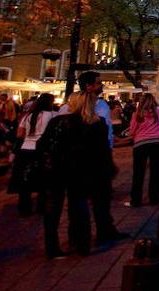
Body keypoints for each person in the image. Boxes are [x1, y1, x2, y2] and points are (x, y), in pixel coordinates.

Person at [36, 91, 113, 258]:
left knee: (53, 209)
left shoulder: (58, 121)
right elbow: (102, 152)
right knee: (79, 206)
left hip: (56, 170)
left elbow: (42, 145)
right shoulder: (96, 124)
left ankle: (52, 247)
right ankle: (81, 244)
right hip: (81, 170)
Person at [77, 71, 123, 242]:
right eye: (98, 83)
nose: (101, 85)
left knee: (101, 197)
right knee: (86, 197)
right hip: (89, 157)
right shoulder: (75, 106)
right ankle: (80, 235)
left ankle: (104, 229)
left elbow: (107, 130)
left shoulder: (102, 105)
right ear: (88, 86)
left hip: (103, 154)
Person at [125, 93, 159, 207]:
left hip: (140, 144)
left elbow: (132, 131)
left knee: (138, 173)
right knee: (156, 172)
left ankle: (136, 200)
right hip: (157, 143)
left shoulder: (137, 114)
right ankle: (154, 198)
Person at [13, 92, 57, 215]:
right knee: (43, 179)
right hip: (42, 149)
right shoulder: (52, 115)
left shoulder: (29, 116)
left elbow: (19, 134)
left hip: (25, 148)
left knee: (25, 179)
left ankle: (24, 207)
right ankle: (41, 206)